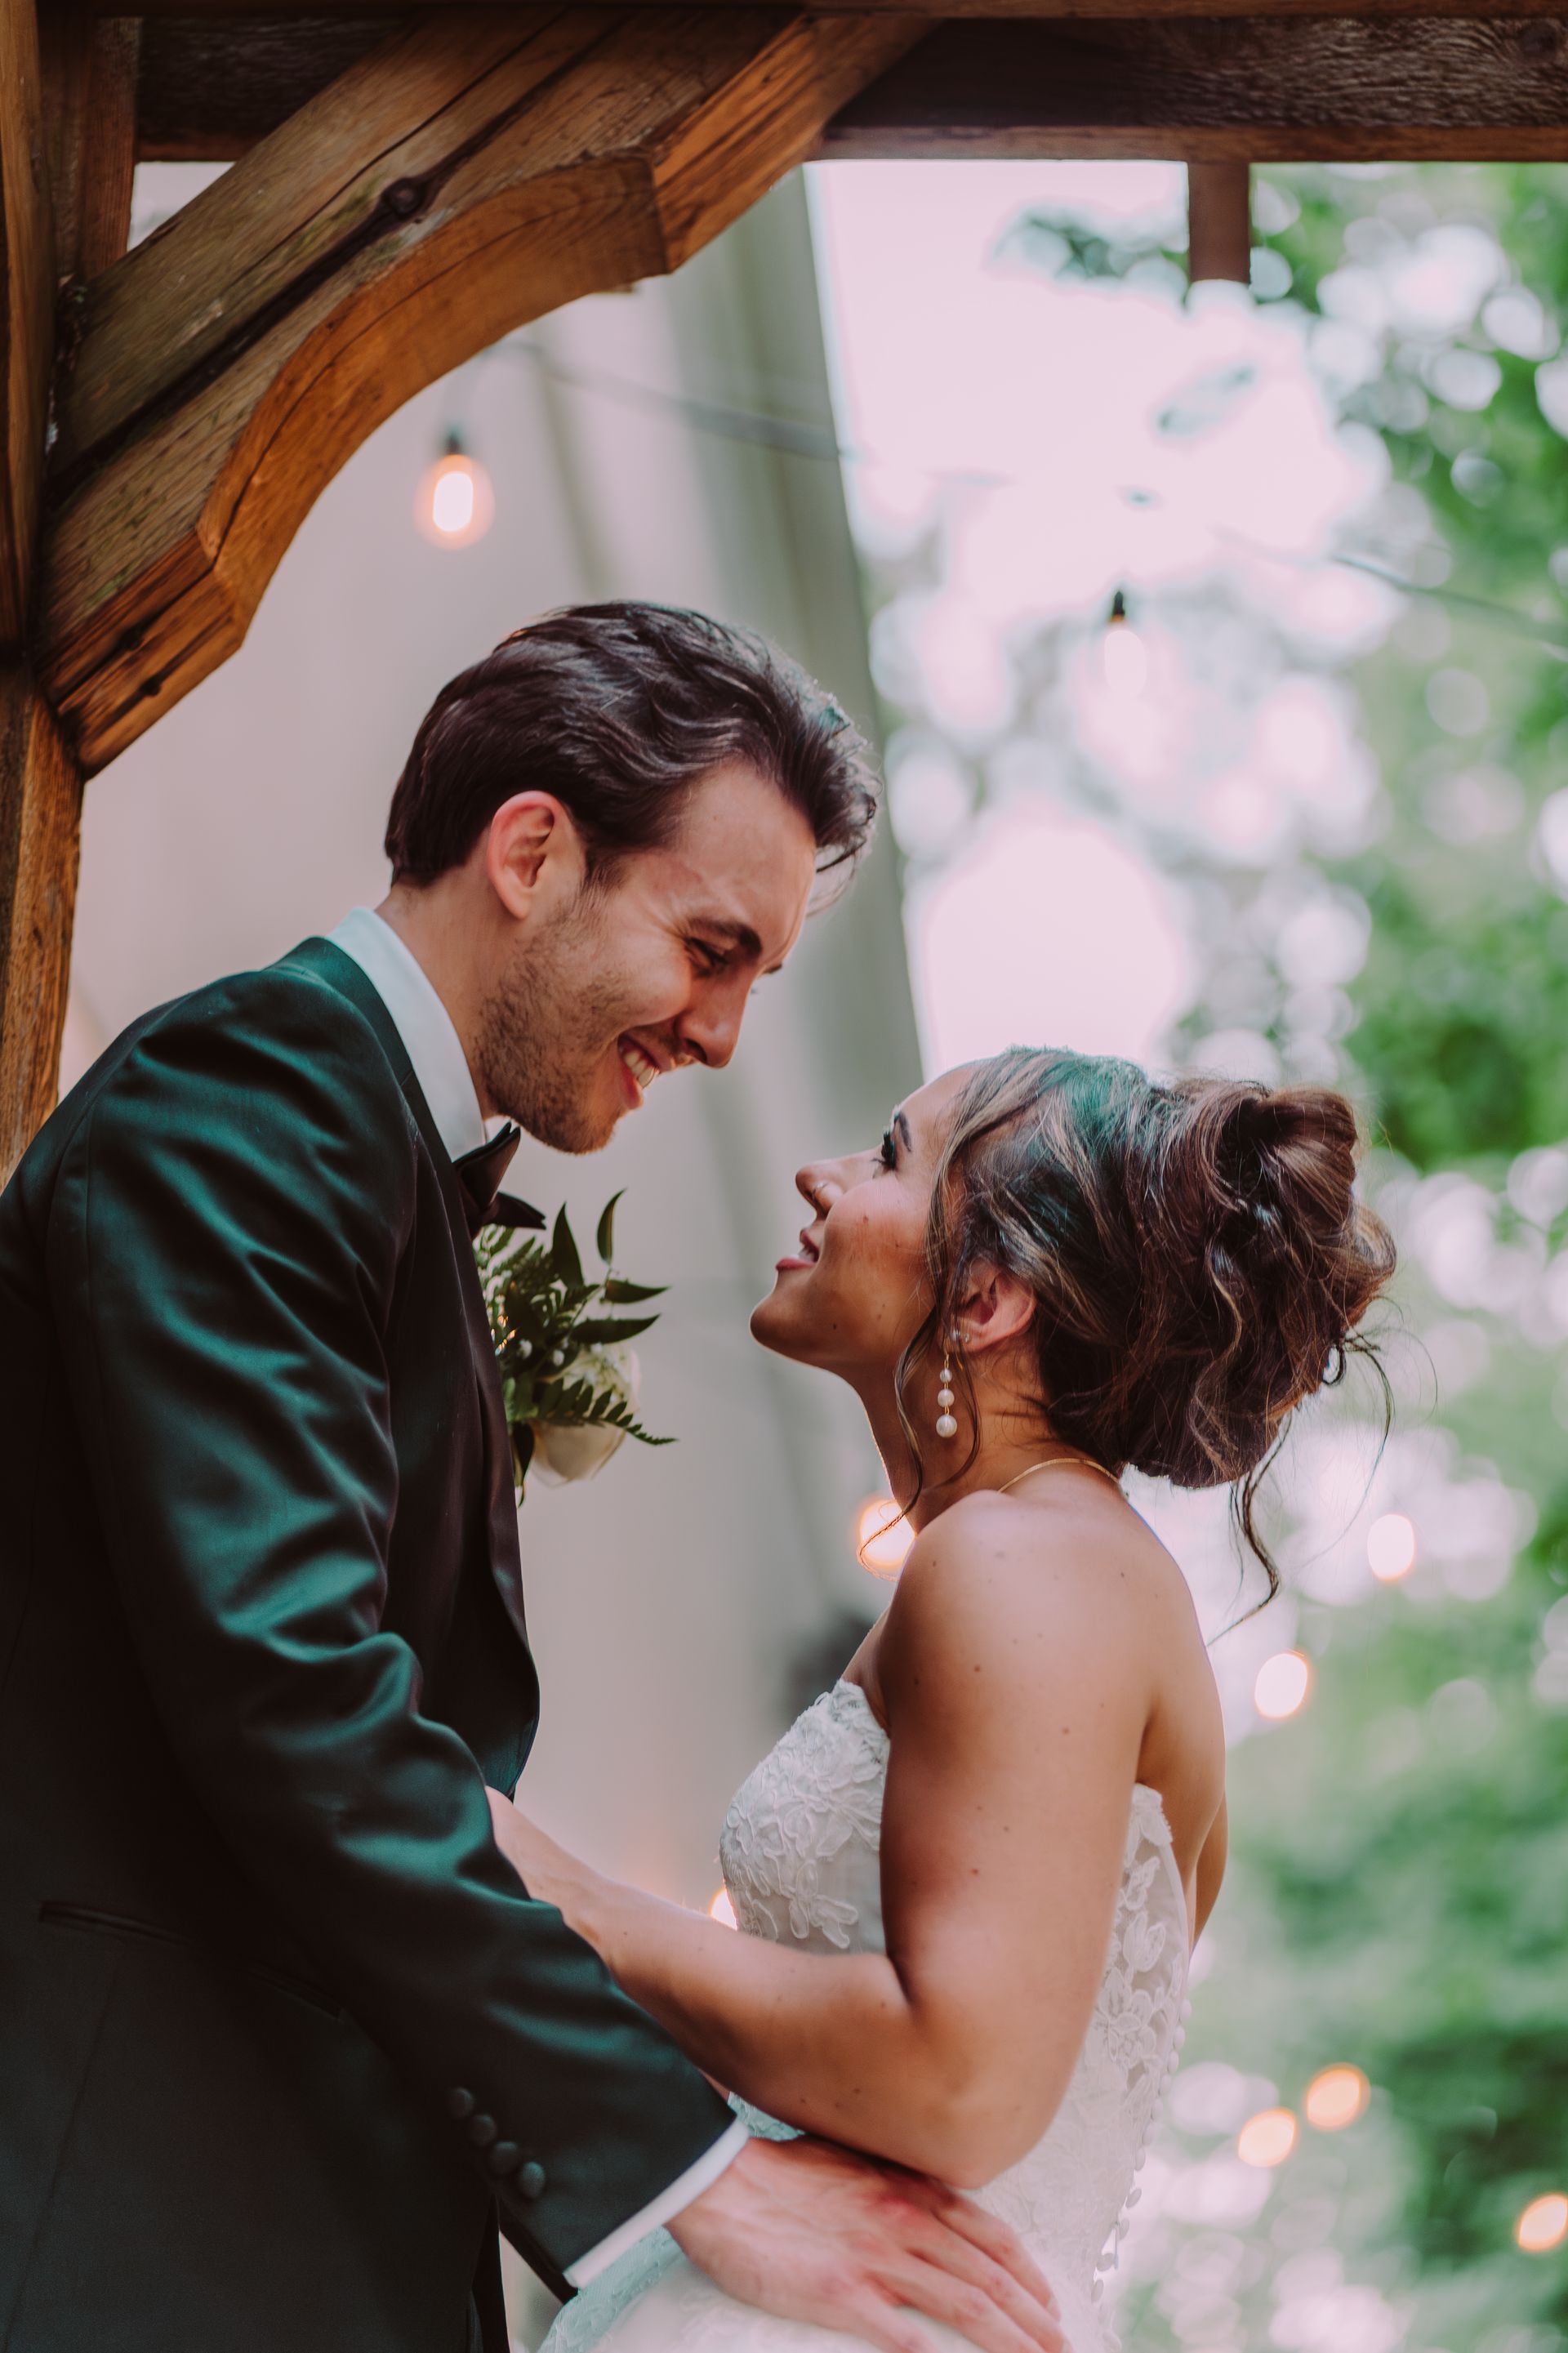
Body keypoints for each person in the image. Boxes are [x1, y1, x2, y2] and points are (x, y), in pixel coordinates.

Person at [0, 605, 1064, 2353]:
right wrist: (690, 2170)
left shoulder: (380, 1158)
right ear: (532, 848)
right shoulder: (249, 1103)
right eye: (709, 946)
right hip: (135, 2194)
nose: (722, 1035)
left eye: (757, 983)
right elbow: (296, 1696)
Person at [485, 1047, 1397, 2353]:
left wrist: (567, 1894)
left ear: (986, 1297)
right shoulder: (1053, 1565)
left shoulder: (1023, 1558)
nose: (821, 1177)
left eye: (889, 1157)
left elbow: (959, 2074)